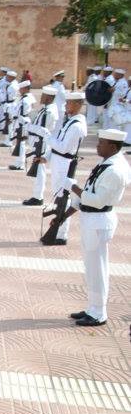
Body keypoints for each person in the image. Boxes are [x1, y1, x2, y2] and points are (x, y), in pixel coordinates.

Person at [67, 129, 131, 327]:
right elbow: (91, 190)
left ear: (112, 147)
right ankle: (92, 307)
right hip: (92, 220)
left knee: (97, 269)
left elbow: (96, 200)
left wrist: (74, 187)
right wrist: (67, 213)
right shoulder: (108, 162)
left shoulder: (115, 170)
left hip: (99, 220)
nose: (97, 145)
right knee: (91, 267)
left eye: (101, 143)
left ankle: (98, 313)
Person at [41, 92, 88, 245]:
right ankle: (58, 232)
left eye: (68, 103)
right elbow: (59, 144)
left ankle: (60, 234)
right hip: (58, 161)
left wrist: (47, 137)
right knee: (59, 196)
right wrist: (47, 157)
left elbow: (63, 147)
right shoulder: (70, 121)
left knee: (63, 199)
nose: (66, 106)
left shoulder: (77, 126)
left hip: (64, 164)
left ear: (77, 104)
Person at [22, 86, 60, 206]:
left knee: (39, 170)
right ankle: (37, 195)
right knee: (38, 170)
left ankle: (38, 197)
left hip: (42, 144)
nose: (41, 97)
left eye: (43, 95)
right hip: (39, 142)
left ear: (49, 98)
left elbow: (44, 130)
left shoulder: (49, 112)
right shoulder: (46, 109)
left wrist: (28, 126)